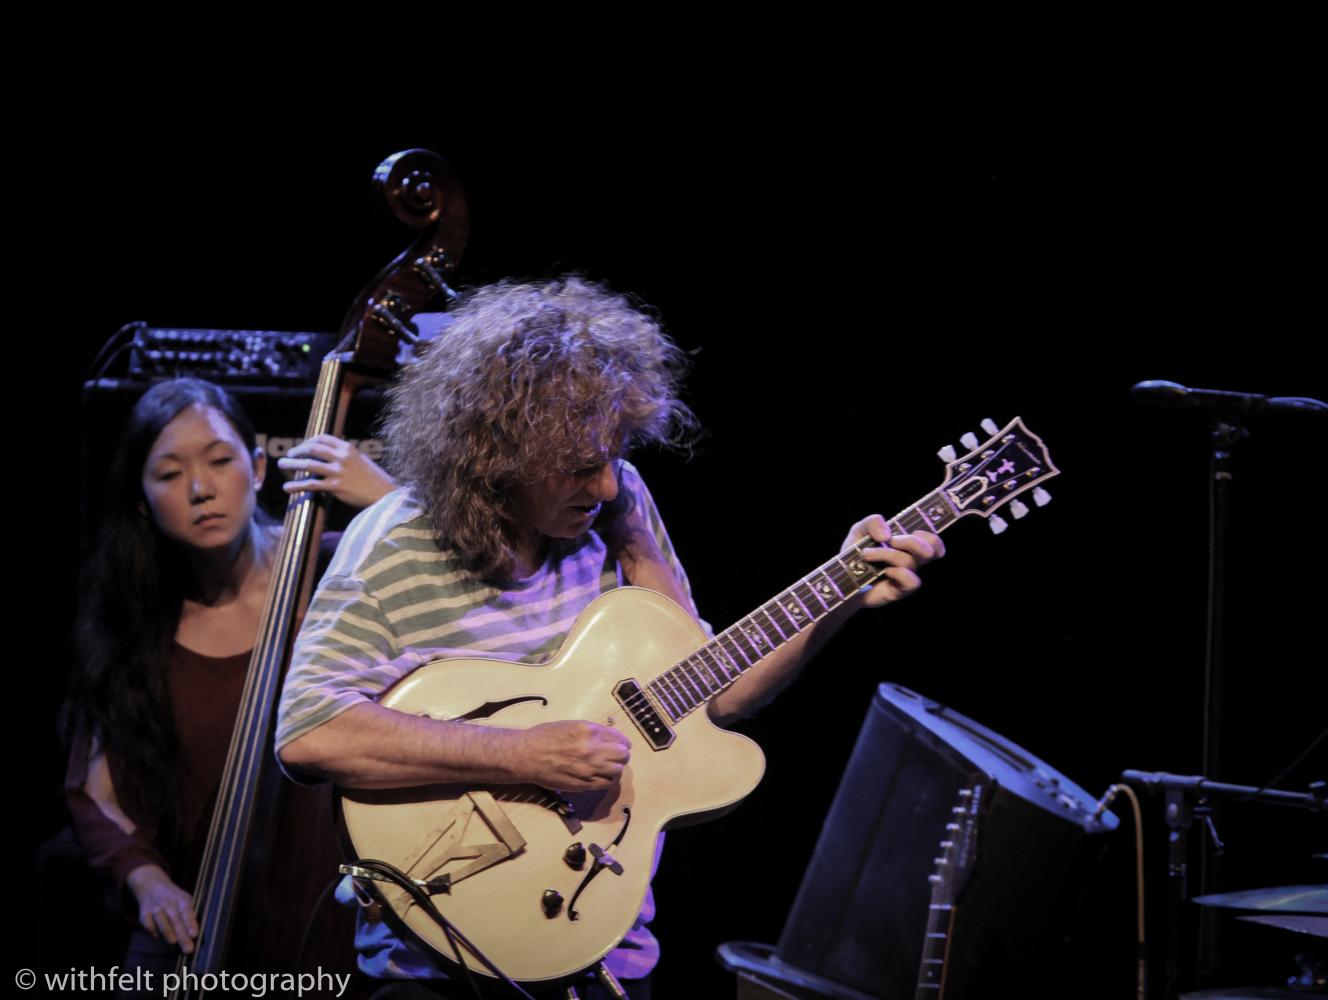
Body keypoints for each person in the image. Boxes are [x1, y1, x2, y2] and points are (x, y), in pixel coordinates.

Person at [275, 277, 944, 998]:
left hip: (605, 947)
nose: (602, 485)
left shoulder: (617, 507)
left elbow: (706, 697)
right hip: (437, 965)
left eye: (613, 454)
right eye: (576, 466)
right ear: (493, 457)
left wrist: (840, 592)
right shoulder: (395, 543)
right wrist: (518, 753)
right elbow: (311, 733)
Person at [62, 377, 397, 978]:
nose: (199, 489)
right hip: (208, 918)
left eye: (220, 461)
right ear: (141, 500)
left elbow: (468, 593)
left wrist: (390, 502)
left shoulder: (337, 570)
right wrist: (149, 882)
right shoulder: (133, 623)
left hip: (348, 909)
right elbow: (98, 790)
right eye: (168, 475)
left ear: (259, 467)